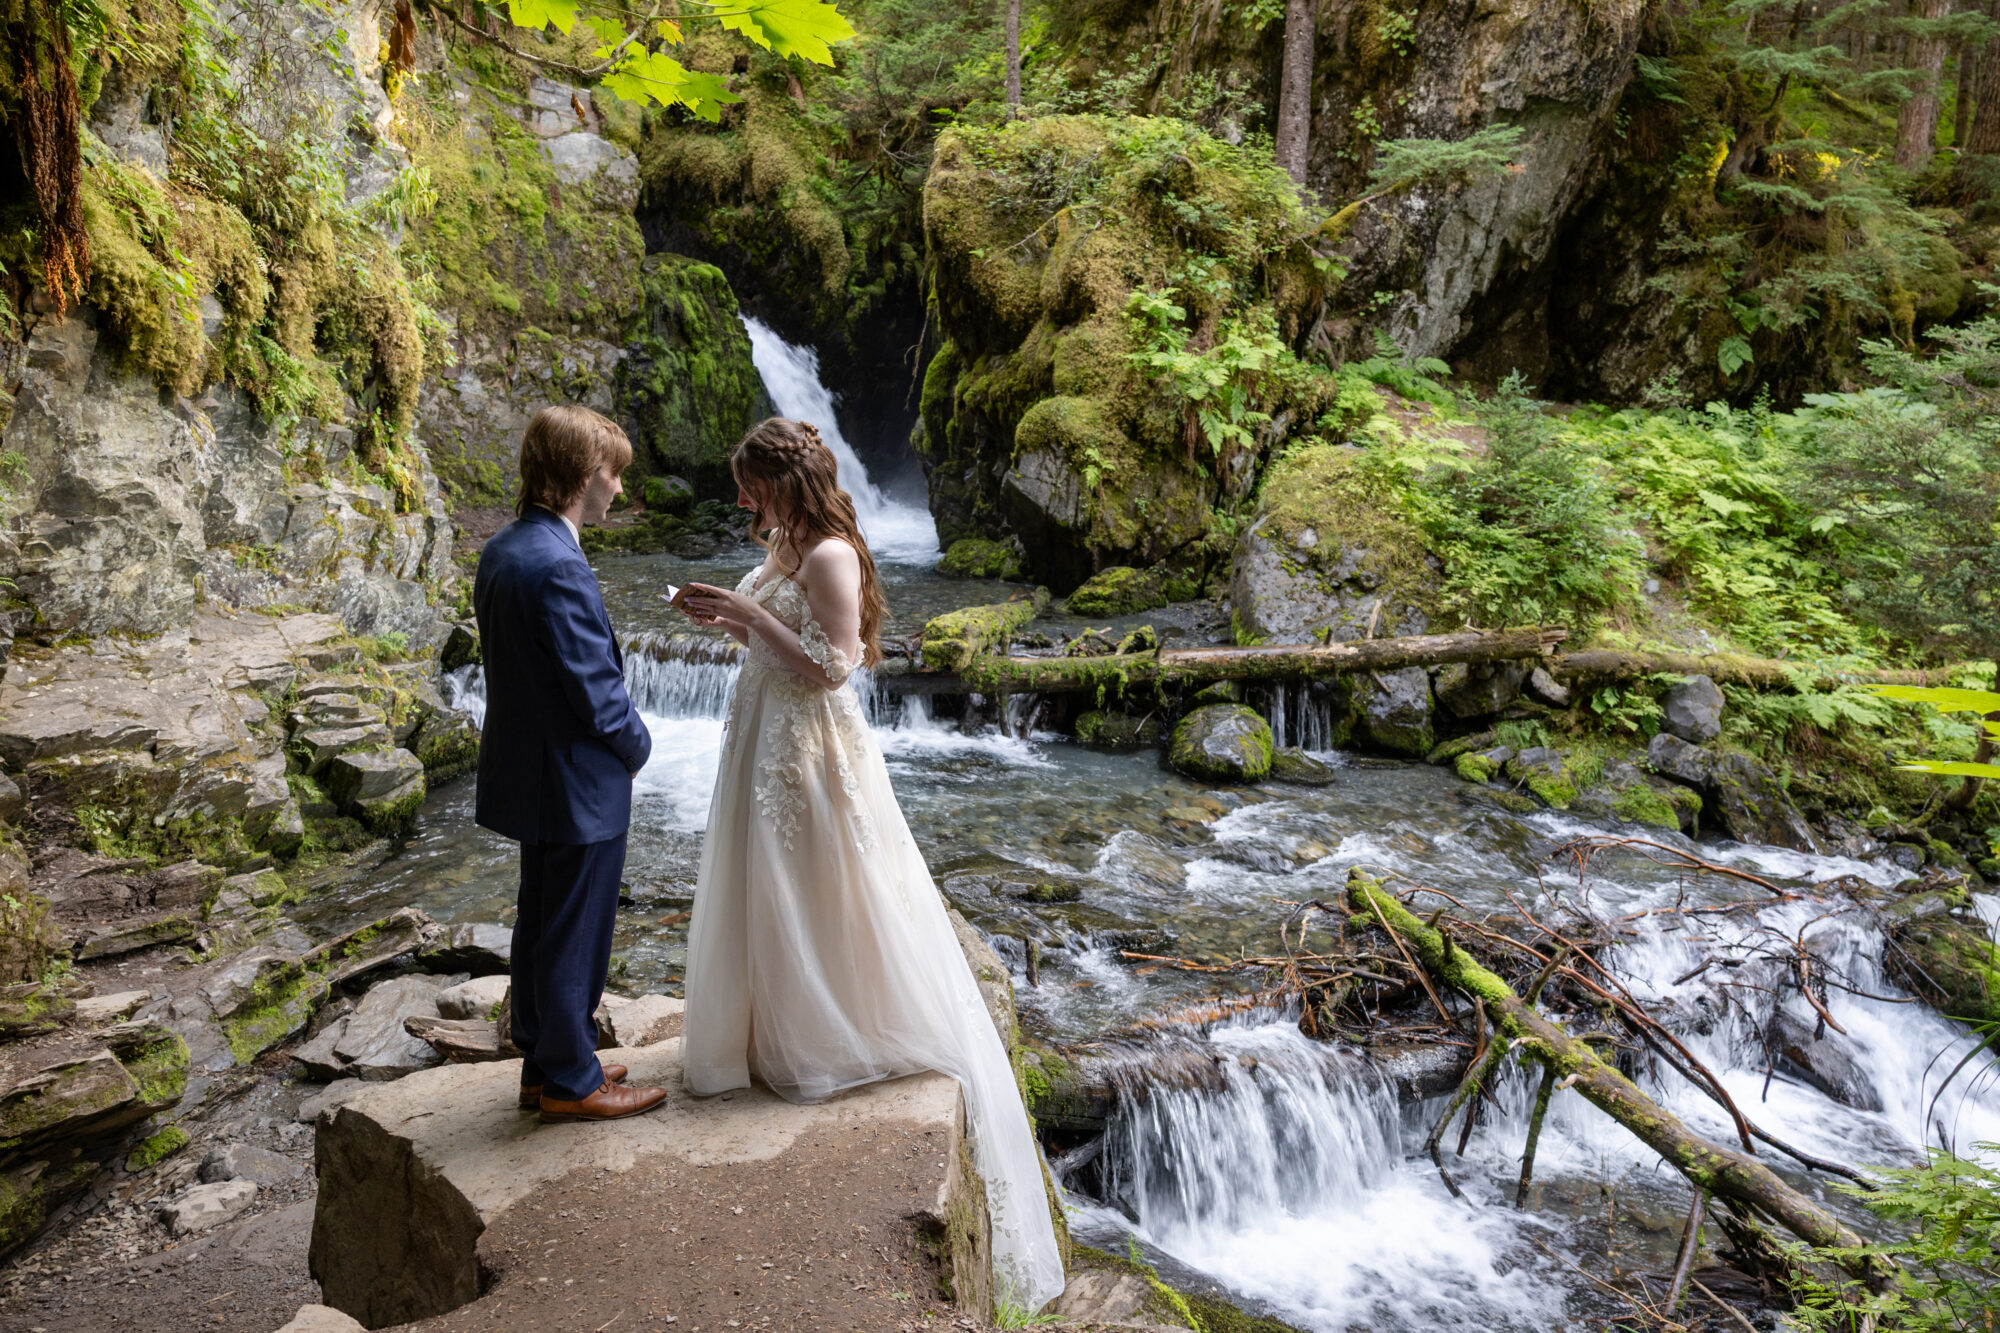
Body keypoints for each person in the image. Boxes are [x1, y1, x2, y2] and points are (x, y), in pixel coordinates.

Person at [675, 417, 1066, 1313]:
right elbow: (776, 649)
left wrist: (743, 612)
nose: (741, 502)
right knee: (765, 884)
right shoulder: (783, 542)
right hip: (762, 734)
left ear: (784, 479)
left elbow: (835, 667)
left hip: (812, 749)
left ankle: (832, 1028)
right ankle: (765, 1030)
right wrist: (729, 618)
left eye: (750, 486)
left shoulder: (834, 556)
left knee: (819, 885)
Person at [473, 404, 667, 1123]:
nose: (618, 487)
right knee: (574, 929)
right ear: (583, 475)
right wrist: (639, 749)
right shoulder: (560, 564)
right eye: (613, 472)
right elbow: (597, 693)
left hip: (528, 771)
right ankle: (573, 1081)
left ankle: (545, 1059)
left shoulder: (504, 549)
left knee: (541, 920)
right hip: (577, 780)